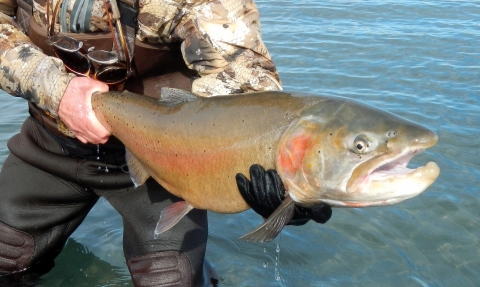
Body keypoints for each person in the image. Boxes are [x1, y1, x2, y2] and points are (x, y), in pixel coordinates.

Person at [0, 0, 332, 285]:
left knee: (170, 279)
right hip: (47, 149)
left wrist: (285, 171)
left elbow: (243, 74)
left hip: (166, 163)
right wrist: (55, 89)